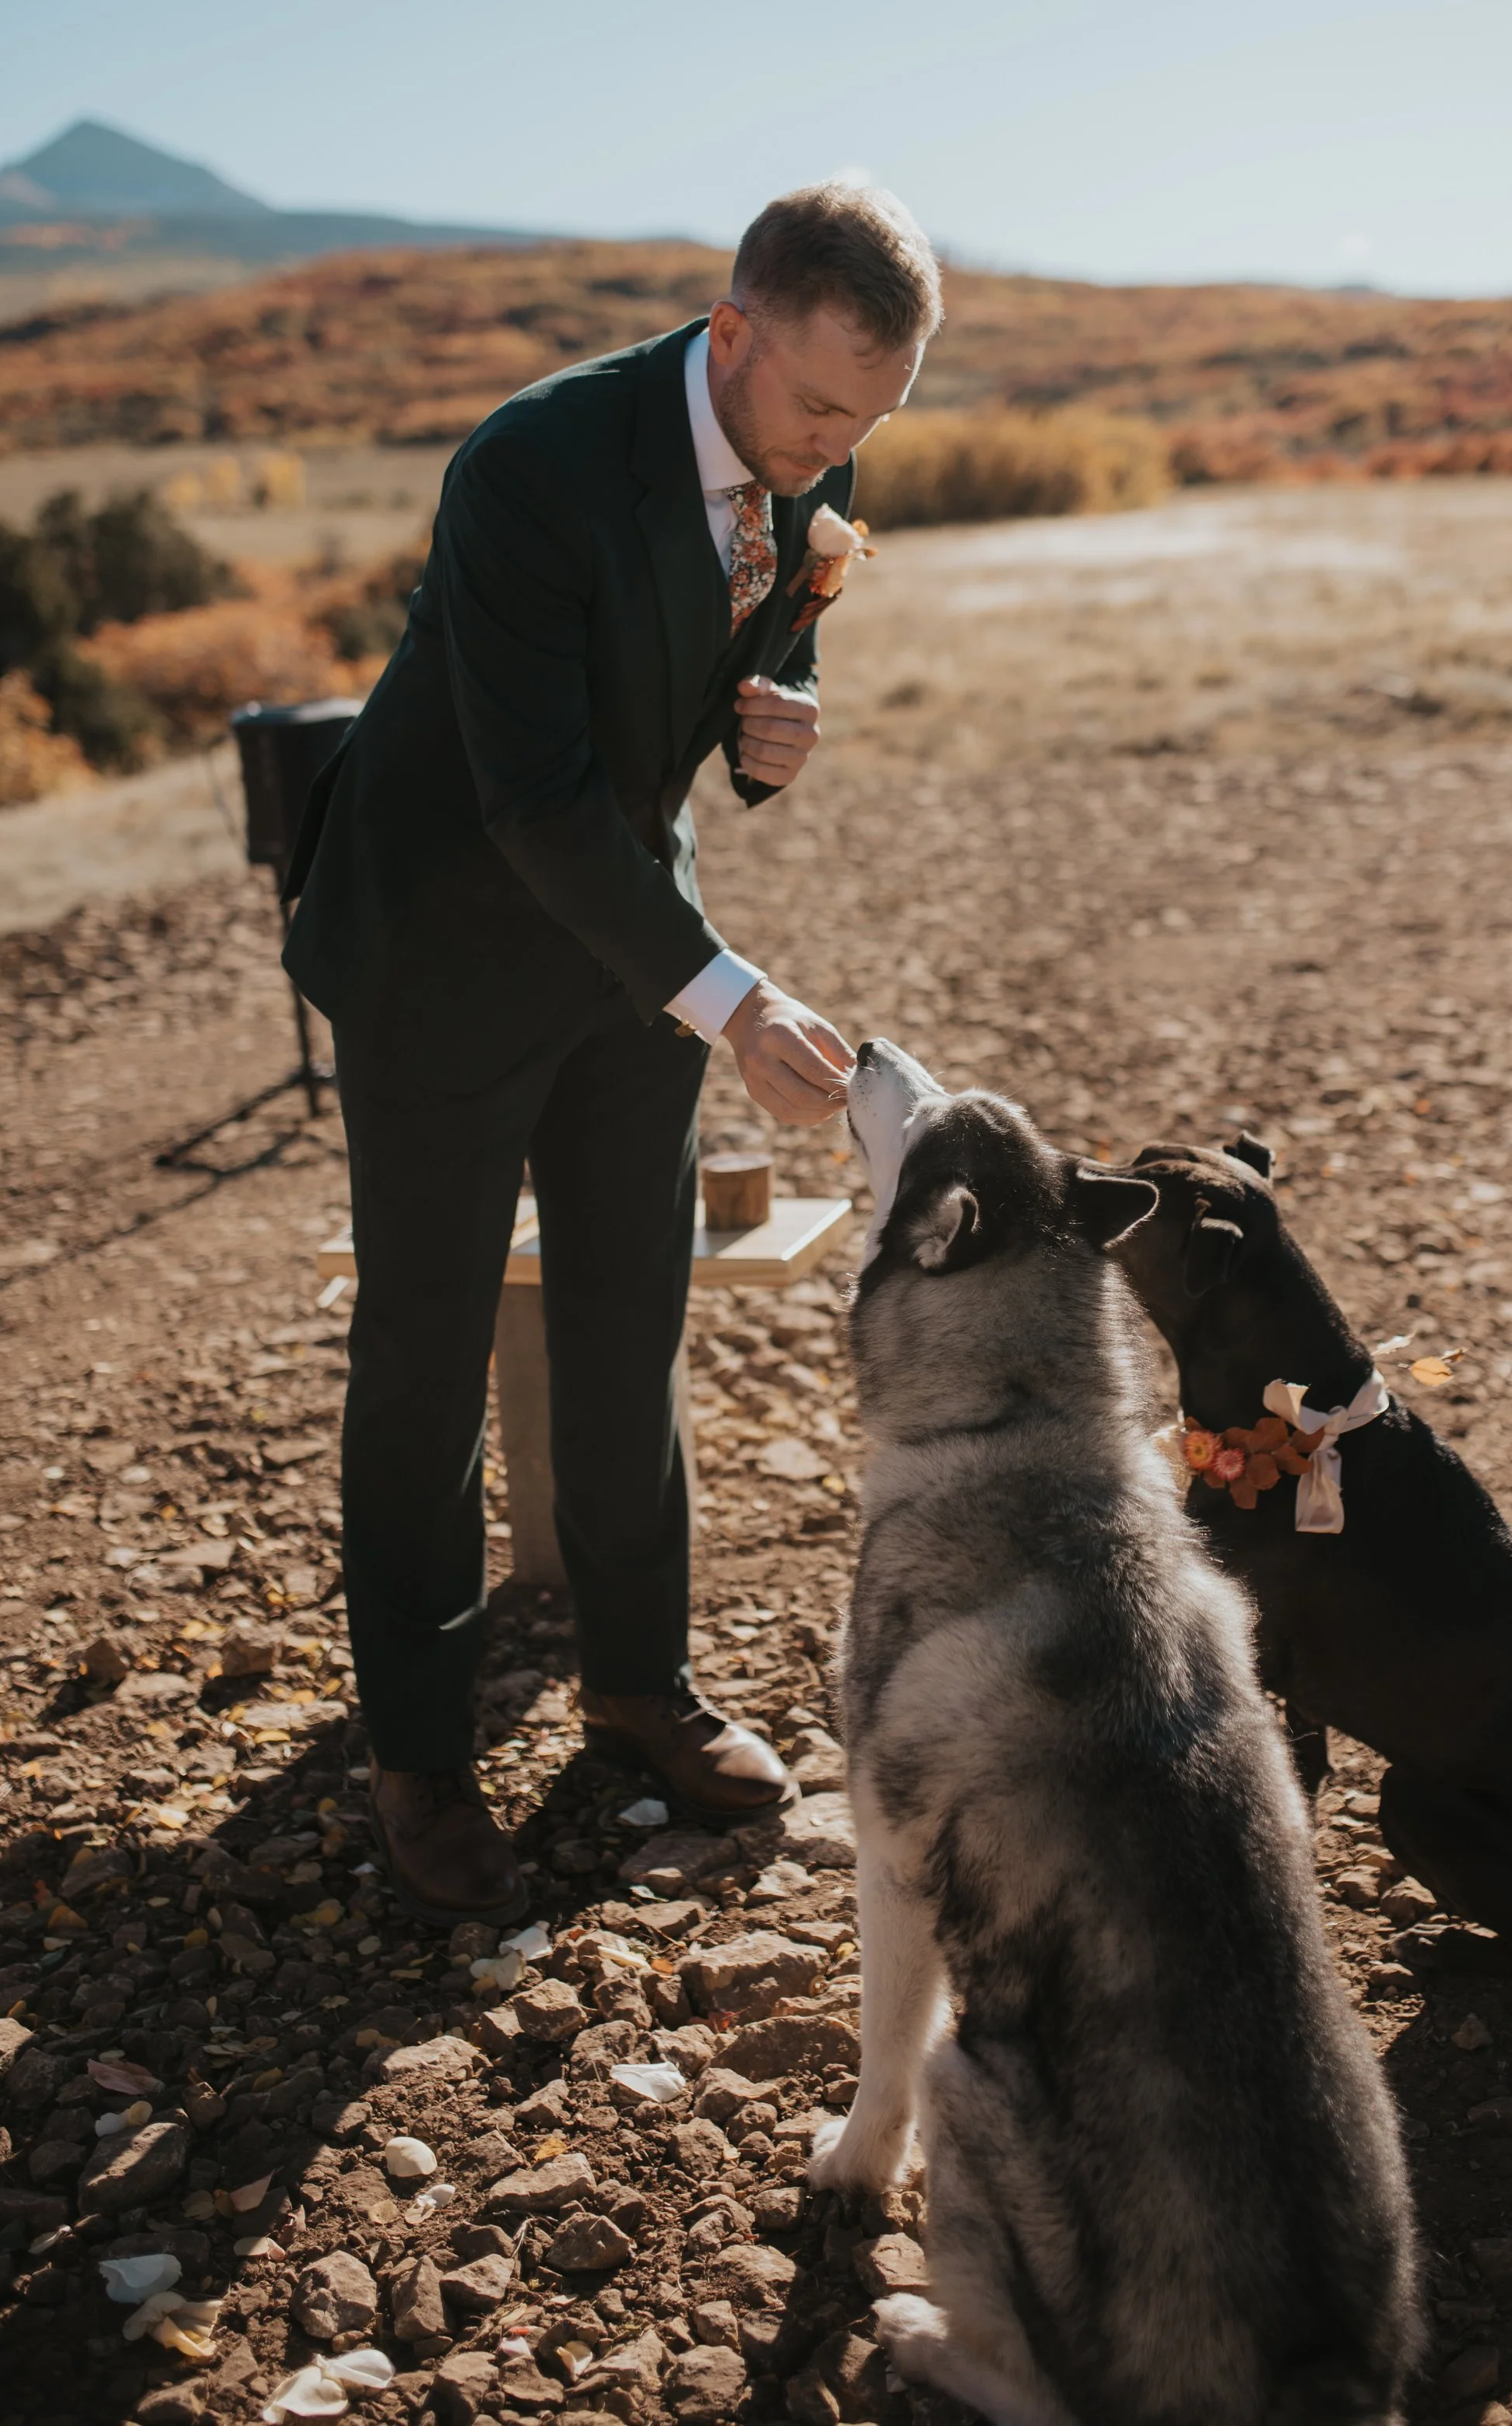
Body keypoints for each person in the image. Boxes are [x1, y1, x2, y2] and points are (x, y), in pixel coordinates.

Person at [283, 183, 941, 1923]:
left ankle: (637, 1688)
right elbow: (534, 797)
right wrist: (726, 997)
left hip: (631, 949)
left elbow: (739, 658)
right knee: (422, 1364)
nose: (829, 456)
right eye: (811, 408)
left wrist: (776, 726)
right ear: (729, 331)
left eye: (866, 424)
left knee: (627, 1315)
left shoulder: (819, 461)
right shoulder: (529, 465)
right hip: (439, 948)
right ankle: (419, 1763)